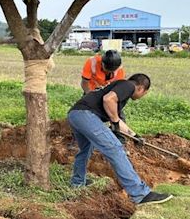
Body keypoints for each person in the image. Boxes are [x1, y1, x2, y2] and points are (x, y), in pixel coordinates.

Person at [67, 73, 173, 205]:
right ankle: (140, 194)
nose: (141, 96)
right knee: (115, 148)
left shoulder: (119, 88)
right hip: (86, 115)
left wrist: (135, 136)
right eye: (144, 93)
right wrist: (115, 121)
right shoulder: (128, 85)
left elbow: (115, 116)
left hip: (75, 115)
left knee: (85, 150)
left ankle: (77, 182)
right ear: (141, 88)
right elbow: (108, 100)